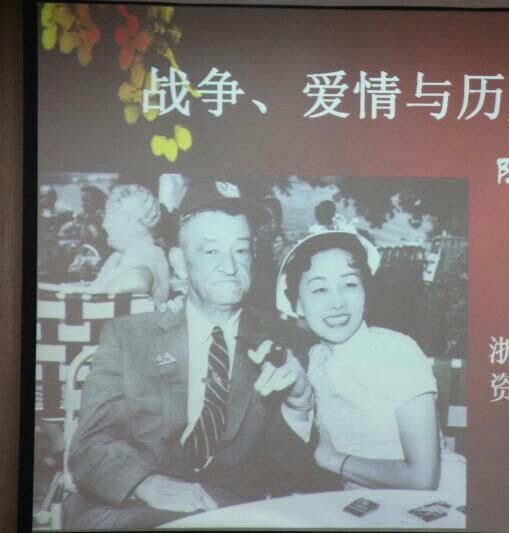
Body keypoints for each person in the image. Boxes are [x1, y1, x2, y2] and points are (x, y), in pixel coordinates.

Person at [64, 180, 317, 529]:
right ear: (180, 263)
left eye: (241, 250)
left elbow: (291, 473)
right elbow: (90, 445)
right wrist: (147, 484)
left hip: (229, 514)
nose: (230, 266)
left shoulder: (283, 342)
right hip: (132, 508)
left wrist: (299, 406)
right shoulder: (128, 336)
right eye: (211, 251)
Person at [276, 222, 466, 496]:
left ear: (365, 294)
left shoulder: (397, 351)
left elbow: (423, 478)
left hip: (437, 501)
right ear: (297, 304)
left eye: (349, 284)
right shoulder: (312, 362)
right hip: (360, 506)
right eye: (319, 290)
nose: (337, 302)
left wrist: (334, 460)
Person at [89, 184, 170, 305]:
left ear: (130, 219)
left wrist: (101, 296)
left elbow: (138, 280)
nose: (104, 224)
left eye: (107, 215)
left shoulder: (151, 256)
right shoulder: (117, 256)